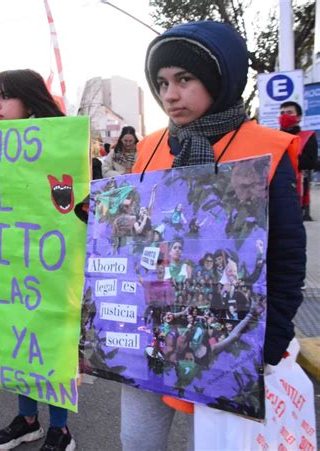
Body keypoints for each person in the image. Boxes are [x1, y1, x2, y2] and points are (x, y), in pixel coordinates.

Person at [121, 21, 306, 451]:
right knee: (137, 441)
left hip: (228, 342)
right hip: (151, 333)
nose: (170, 94)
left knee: (217, 443)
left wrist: (270, 340)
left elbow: (287, 256)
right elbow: (136, 232)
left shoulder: (267, 147)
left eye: (185, 79)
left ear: (221, 79)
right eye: (162, 82)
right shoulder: (149, 147)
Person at [0, 69, 75, 451]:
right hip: (6, 267)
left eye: (4, 96)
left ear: (29, 101)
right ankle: (27, 421)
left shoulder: (62, 146)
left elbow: (72, 202)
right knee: (17, 343)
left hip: (50, 268)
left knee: (50, 343)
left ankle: (60, 428)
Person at [279, 101, 318, 221]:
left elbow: (311, 162)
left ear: (299, 117)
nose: (285, 116)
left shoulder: (308, 136)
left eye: (289, 113)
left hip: (298, 186)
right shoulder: (275, 137)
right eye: (282, 113)